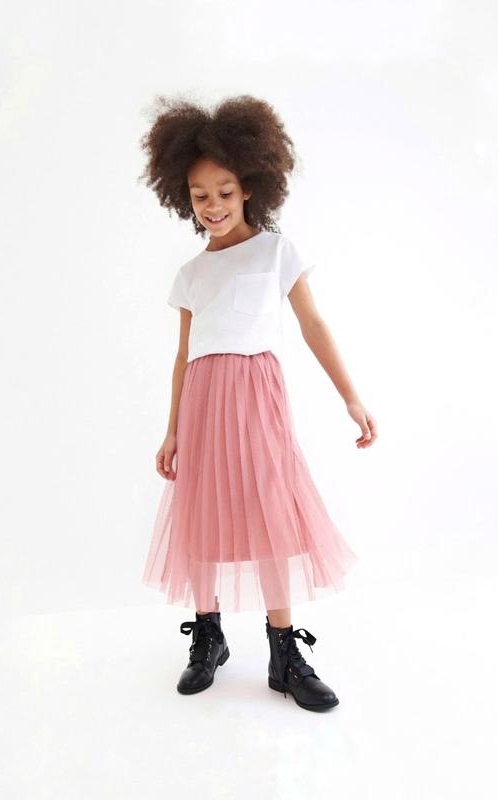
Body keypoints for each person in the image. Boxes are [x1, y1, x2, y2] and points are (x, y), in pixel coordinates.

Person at [138, 94, 378, 712]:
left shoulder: (275, 251)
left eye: (225, 191)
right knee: (203, 510)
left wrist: (351, 397)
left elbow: (313, 325)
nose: (213, 205)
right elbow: (183, 356)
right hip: (203, 401)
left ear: (250, 187)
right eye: (199, 195)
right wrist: (172, 429)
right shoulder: (191, 273)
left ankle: (283, 651)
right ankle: (208, 635)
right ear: (183, 198)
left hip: (257, 395)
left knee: (271, 509)